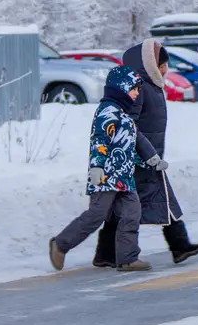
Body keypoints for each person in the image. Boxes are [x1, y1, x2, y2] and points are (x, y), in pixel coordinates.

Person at [93, 40, 198, 268]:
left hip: (148, 157)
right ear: (149, 64)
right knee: (141, 202)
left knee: (140, 202)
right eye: (162, 64)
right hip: (137, 158)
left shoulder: (151, 86)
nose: (165, 69)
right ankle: (178, 246)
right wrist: (142, 153)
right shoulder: (139, 88)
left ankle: (107, 253)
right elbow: (128, 124)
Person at [49, 66, 154, 272]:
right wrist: (96, 167)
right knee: (97, 214)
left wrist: (148, 161)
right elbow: (100, 140)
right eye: (133, 89)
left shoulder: (124, 115)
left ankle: (127, 258)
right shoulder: (108, 112)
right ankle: (61, 244)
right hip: (105, 175)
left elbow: (125, 147)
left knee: (132, 213)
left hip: (124, 177)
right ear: (121, 88)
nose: (136, 93)